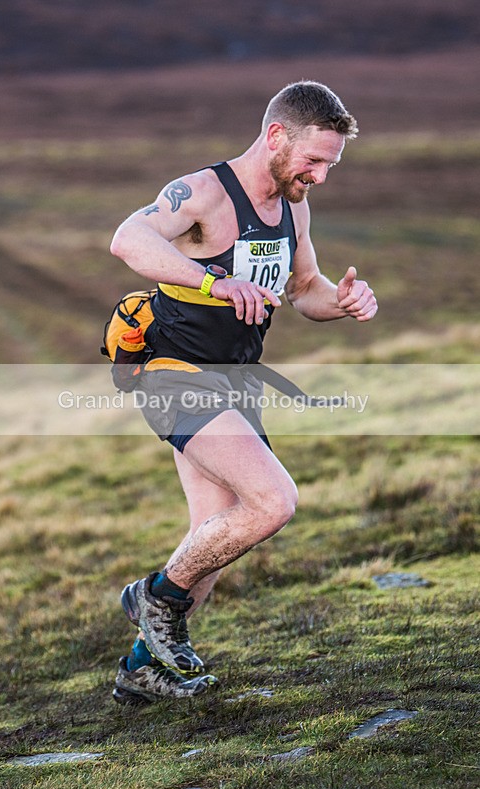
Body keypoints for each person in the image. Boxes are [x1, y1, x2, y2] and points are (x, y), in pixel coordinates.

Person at [109, 80, 378, 703]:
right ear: (276, 136)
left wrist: (340, 301)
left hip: (236, 383)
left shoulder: (295, 206)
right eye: (314, 161)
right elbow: (129, 239)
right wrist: (212, 283)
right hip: (176, 373)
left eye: (330, 166)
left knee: (211, 533)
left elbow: (303, 287)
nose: (320, 176)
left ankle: (141, 670)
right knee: (273, 502)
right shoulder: (202, 193)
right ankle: (153, 597)